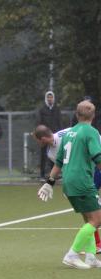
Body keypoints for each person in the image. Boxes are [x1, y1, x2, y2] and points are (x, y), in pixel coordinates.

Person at [38, 100, 101, 269]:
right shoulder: (91, 132)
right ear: (93, 116)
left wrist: (50, 182)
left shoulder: (69, 133)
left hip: (69, 181)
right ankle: (72, 255)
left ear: (76, 115)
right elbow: (98, 157)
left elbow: (58, 162)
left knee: (88, 218)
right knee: (97, 219)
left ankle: (90, 257)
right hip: (82, 181)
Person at [36, 91, 63, 179]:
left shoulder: (57, 109)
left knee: (54, 155)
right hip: (45, 136)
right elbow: (39, 123)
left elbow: (59, 122)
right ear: (46, 98)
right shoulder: (42, 110)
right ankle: (42, 175)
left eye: (51, 97)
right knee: (43, 156)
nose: (50, 99)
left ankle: (53, 175)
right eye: (48, 97)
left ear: (53, 98)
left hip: (54, 137)